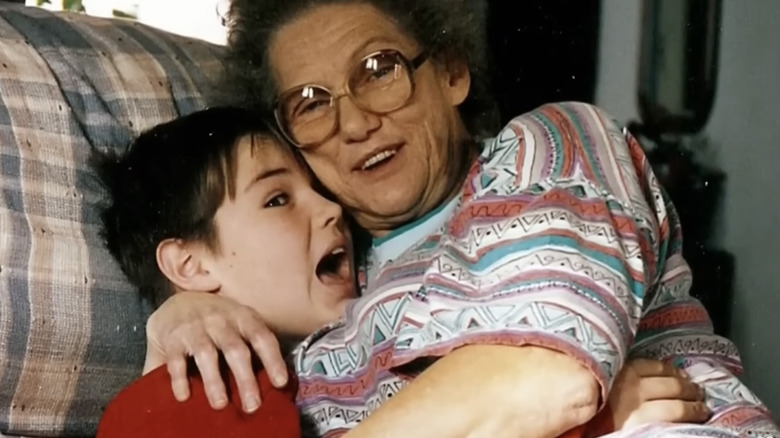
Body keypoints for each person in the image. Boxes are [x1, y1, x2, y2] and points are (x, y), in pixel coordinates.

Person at [145, 1, 779, 437]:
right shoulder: (323, 284)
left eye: (378, 70)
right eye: (310, 105)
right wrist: (178, 313)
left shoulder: (550, 145)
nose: (355, 122)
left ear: (450, 72)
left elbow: (542, 382)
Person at [96, 106, 701, 438]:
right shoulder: (184, 397)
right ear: (188, 264)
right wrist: (583, 421)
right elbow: (542, 390)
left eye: (316, 189)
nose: (333, 208)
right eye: (278, 200)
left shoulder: (324, 367)